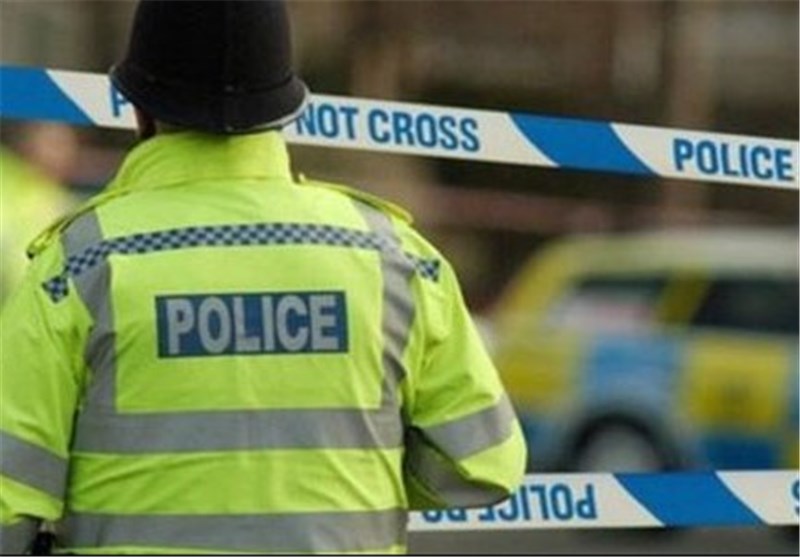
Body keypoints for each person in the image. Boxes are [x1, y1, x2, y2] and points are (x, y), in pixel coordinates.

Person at [0, 1, 526, 554]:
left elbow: (7, 502)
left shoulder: (80, 265)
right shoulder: (395, 260)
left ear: (138, 110)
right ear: (285, 110)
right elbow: (486, 463)